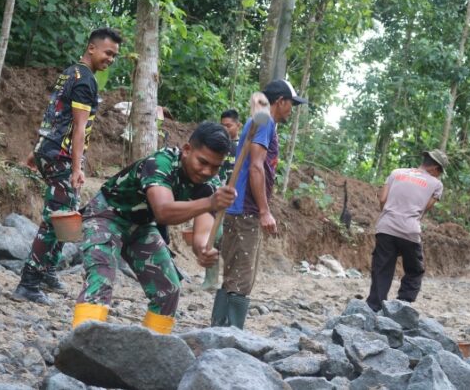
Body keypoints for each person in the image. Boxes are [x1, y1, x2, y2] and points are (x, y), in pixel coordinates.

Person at [72, 122, 236, 334]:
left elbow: (202, 232)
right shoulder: (160, 163)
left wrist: (203, 250)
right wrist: (210, 202)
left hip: (141, 226)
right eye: (202, 162)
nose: (207, 171)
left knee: (169, 288)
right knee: (101, 277)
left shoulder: (209, 186)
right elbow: (164, 212)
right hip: (107, 215)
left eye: (215, 167)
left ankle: (153, 349)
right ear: (187, 150)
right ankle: (82, 345)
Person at [12, 28, 123, 304]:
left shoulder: (70, 73)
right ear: (92, 48)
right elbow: (78, 128)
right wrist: (76, 167)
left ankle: (47, 271)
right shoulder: (85, 81)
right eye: (108, 53)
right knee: (55, 219)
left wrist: (35, 150)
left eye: (115, 55)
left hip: (48, 150)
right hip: (60, 156)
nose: (111, 59)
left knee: (65, 214)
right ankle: (29, 282)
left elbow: (54, 116)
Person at [210, 79, 307, 329]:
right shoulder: (264, 123)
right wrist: (264, 211)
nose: (291, 110)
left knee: (232, 275)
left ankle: (218, 329)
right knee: (242, 278)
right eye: (291, 105)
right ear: (280, 102)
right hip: (246, 210)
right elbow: (256, 166)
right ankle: (230, 336)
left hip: (237, 207)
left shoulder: (259, 122)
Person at [365, 149, 449, 312]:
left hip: (386, 227)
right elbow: (424, 209)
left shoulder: (396, 173)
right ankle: (402, 304)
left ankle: (374, 306)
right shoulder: (436, 184)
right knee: (414, 269)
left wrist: (389, 216)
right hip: (409, 230)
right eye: (439, 172)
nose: (438, 175)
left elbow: (382, 199)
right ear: (435, 168)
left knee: (382, 267)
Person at [201, 109, 242, 291]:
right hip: (215, 197)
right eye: (222, 125)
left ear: (238, 125)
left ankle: (231, 282)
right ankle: (210, 281)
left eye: (229, 126)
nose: (225, 129)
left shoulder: (243, 147)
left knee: (230, 242)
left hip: (235, 202)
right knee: (213, 237)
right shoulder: (219, 146)